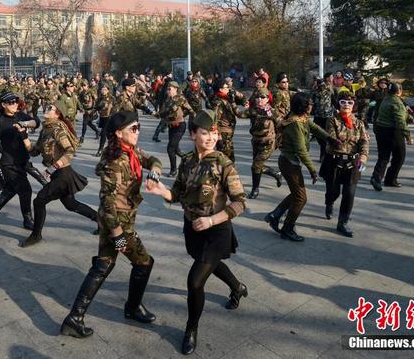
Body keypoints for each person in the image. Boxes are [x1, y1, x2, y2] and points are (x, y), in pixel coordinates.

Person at [146, 110, 248, 355]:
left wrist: (212, 219)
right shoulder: (189, 160)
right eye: (205, 133)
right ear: (193, 134)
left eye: (214, 133)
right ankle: (238, 287)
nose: (212, 138)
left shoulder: (224, 163)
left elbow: (240, 202)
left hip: (216, 230)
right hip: (192, 228)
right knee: (207, 264)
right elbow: (178, 194)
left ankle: (191, 329)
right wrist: (162, 191)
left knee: (194, 281)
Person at [60, 111, 162, 339]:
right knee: (144, 263)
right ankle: (133, 308)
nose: (138, 132)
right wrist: (119, 236)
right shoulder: (114, 162)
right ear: (118, 133)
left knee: (103, 266)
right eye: (133, 129)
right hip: (117, 223)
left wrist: (154, 173)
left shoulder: (131, 151)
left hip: (115, 223)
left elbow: (154, 160)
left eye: (138, 127)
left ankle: (74, 318)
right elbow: (107, 204)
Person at [21, 98, 98, 247]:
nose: (47, 109)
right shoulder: (46, 129)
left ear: (57, 114)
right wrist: (23, 135)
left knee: (39, 201)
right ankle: (101, 221)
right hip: (60, 174)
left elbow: (70, 151)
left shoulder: (57, 129)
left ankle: (36, 235)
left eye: (50, 108)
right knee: (71, 204)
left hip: (63, 173)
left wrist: (54, 166)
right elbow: (34, 151)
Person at [264, 92, 338, 242]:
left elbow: (315, 127)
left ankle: (275, 215)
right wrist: (312, 169)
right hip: (289, 163)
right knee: (301, 198)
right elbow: (301, 150)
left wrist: (330, 138)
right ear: (302, 106)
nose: (312, 106)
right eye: (309, 104)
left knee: (296, 194)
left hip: (290, 162)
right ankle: (287, 228)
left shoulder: (301, 118)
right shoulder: (295, 123)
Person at [0, 91, 39, 233]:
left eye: (16, 102)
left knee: (9, 192)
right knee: (26, 190)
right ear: (4, 105)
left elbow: (36, 122)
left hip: (22, 160)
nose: (15, 104)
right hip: (10, 164)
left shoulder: (20, 115)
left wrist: (24, 123)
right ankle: (27, 220)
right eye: (11, 103)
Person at [319, 92, 369, 237]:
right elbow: (332, 139)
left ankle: (343, 222)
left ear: (354, 105)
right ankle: (329, 203)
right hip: (334, 161)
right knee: (333, 192)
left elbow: (364, 141)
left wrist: (363, 156)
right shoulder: (332, 120)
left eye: (350, 103)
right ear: (338, 104)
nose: (346, 105)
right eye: (343, 102)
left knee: (349, 193)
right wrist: (340, 144)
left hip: (353, 162)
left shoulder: (359, 123)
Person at [370, 82, 414, 191]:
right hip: (393, 131)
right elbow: (400, 121)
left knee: (383, 156)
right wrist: (408, 136)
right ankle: (390, 179)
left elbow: (403, 113)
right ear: (399, 91)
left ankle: (376, 177)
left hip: (381, 129)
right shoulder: (397, 102)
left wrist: (412, 119)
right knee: (399, 156)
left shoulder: (387, 98)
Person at [242, 87, 282, 199]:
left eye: (262, 97)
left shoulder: (272, 112)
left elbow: (281, 125)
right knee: (255, 166)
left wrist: (280, 140)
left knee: (256, 165)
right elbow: (240, 114)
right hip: (256, 142)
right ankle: (276, 174)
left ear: (267, 99)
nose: (259, 99)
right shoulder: (253, 110)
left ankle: (255, 190)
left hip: (268, 142)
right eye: (257, 97)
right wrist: (235, 102)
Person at [157, 81, 195, 176]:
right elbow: (163, 113)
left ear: (175, 89)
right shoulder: (167, 99)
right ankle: (191, 160)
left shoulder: (180, 98)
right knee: (176, 149)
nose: (168, 90)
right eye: (167, 89)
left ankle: (173, 170)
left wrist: (194, 121)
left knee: (170, 148)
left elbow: (190, 110)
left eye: (170, 89)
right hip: (171, 127)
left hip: (180, 126)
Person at [310, 76, 335, 161]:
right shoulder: (314, 93)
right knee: (318, 135)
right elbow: (311, 103)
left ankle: (324, 155)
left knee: (326, 136)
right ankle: (323, 151)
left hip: (328, 117)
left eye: (323, 84)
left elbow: (335, 103)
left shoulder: (330, 93)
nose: (321, 86)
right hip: (318, 117)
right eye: (320, 84)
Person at [94, 83, 114, 156]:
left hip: (109, 117)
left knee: (103, 133)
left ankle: (100, 149)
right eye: (102, 89)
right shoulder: (99, 98)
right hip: (102, 117)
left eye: (105, 89)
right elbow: (96, 107)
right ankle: (111, 148)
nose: (103, 91)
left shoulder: (111, 98)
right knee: (108, 135)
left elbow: (115, 108)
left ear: (108, 90)